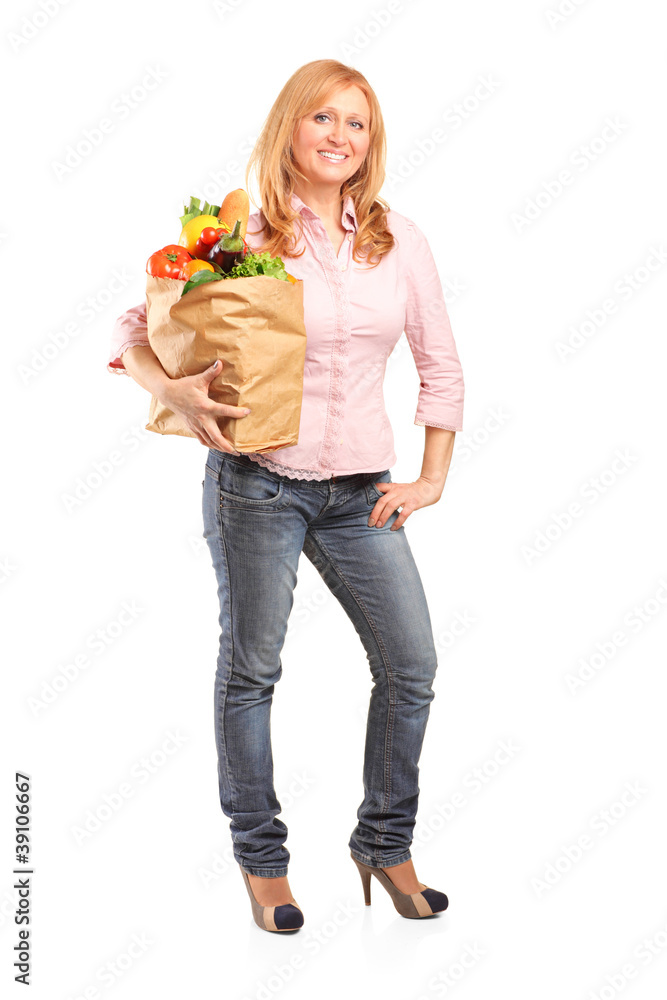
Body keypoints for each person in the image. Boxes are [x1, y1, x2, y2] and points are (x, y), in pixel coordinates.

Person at [107, 58, 464, 933]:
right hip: (257, 486)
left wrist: (429, 479)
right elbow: (132, 332)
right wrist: (178, 393)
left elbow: (441, 364)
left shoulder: (398, 240)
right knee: (253, 670)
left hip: (363, 495)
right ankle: (262, 860)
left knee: (410, 667)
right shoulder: (243, 235)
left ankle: (383, 843)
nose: (340, 137)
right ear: (290, 129)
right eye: (323, 119)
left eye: (357, 124)